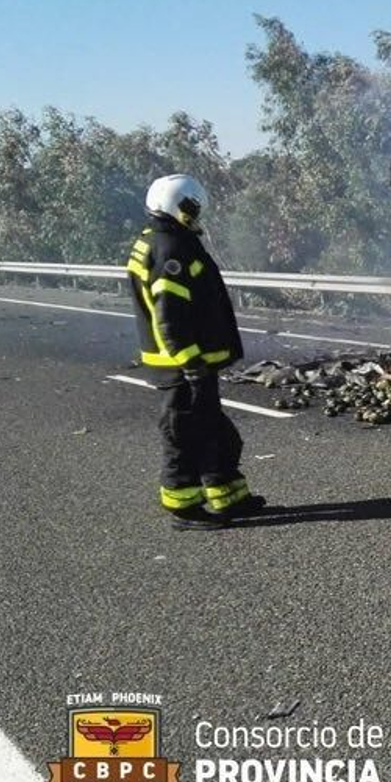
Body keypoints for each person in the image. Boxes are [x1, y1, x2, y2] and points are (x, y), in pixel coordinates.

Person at [126, 174, 265, 528]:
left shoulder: (165, 239)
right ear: (176, 205)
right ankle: (183, 508)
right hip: (183, 366)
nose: (196, 214)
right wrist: (190, 364)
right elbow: (170, 317)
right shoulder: (170, 249)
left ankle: (228, 496)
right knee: (184, 438)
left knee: (215, 433)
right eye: (191, 207)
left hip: (191, 363)